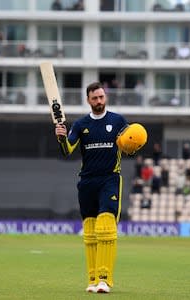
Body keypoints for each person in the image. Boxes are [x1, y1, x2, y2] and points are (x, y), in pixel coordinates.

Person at [55, 82, 146, 294]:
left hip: (109, 179)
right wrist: (61, 137)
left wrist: (132, 146)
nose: (99, 101)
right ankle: (93, 279)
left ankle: (105, 279)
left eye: (102, 97)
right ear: (88, 100)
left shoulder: (117, 121)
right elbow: (67, 150)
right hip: (87, 182)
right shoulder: (80, 124)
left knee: (106, 227)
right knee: (90, 232)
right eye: (95, 98)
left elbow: (130, 144)